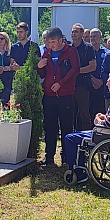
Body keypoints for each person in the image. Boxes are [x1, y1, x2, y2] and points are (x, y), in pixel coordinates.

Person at [63, 71, 110, 183]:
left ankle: (78, 172)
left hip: (107, 135)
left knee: (70, 138)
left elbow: (109, 124)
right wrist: (105, 116)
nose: (107, 84)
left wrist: (98, 121)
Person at [37, 27, 80, 166]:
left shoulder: (71, 51)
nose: (51, 45)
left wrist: (60, 84)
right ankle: (49, 156)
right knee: (50, 127)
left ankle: (66, 157)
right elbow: (42, 75)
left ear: (61, 40)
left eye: (53, 42)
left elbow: (75, 70)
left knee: (66, 127)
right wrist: (39, 66)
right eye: (48, 42)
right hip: (49, 96)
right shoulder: (47, 54)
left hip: (65, 95)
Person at [71, 23, 97, 130]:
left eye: (76, 31)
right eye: (72, 31)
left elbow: (93, 66)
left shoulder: (88, 48)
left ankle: (86, 136)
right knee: (70, 113)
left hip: (82, 85)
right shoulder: (68, 48)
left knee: (84, 113)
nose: (73, 34)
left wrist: (76, 71)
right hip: (69, 85)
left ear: (82, 33)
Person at [89, 28, 108, 121]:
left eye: (95, 36)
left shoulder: (107, 53)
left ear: (100, 37)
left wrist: (101, 81)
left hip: (103, 86)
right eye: (91, 36)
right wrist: (93, 80)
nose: (92, 38)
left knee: (101, 111)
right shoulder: (87, 51)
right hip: (89, 85)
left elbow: (108, 69)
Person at [0, 31, 13, 105]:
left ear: (6, 40)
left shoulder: (10, 52)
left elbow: (13, 65)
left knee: (5, 99)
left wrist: (7, 68)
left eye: (2, 38)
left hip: (7, 77)